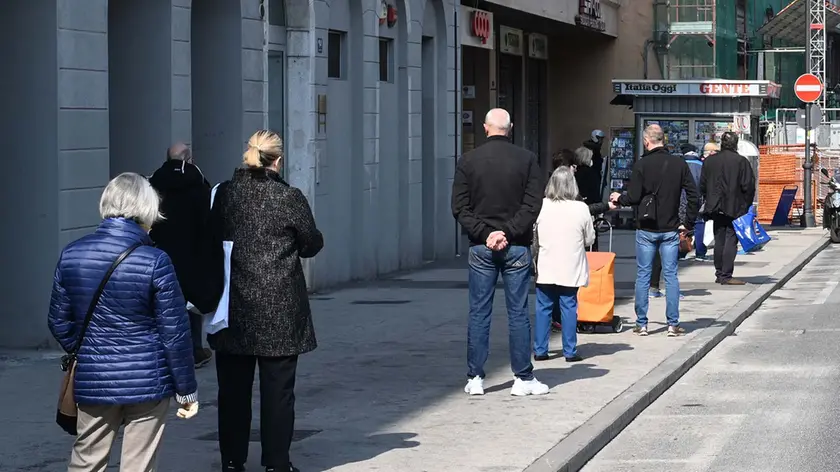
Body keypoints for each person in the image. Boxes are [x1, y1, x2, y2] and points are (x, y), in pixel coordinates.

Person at [48, 172, 198, 472]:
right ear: (146, 208)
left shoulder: (72, 254)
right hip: (148, 379)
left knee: (86, 459)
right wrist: (186, 389)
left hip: (94, 378)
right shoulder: (155, 260)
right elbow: (175, 333)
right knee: (138, 464)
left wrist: (89, 348)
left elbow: (58, 320)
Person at [210, 130, 323, 472]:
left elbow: (210, 236)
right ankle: (276, 462)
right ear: (278, 160)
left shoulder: (225, 195)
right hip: (280, 306)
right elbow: (311, 244)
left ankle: (232, 460)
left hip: (234, 305)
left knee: (232, 390)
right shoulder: (288, 197)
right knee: (278, 391)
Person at [452, 108, 548, 397]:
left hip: (481, 246)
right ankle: (522, 378)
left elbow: (459, 207)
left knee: (479, 312)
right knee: (518, 312)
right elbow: (533, 204)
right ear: (511, 127)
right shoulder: (527, 159)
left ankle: (475, 377)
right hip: (515, 245)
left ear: (485, 128)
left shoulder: (468, 161)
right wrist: (506, 232)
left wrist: (486, 233)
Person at [611, 124, 699, 337]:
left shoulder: (642, 164)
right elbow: (694, 196)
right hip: (670, 228)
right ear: (663, 140)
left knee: (643, 275)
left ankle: (642, 324)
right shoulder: (679, 164)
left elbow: (632, 197)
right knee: (671, 276)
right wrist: (687, 224)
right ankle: (672, 324)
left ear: (646, 141)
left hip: (646, 228)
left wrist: (617, 199)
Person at [149, 142, 221, 369]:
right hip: (193, 253)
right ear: (188, 160)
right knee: (191, 304)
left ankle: (164, 350)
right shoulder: (199, 184)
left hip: (162, 251)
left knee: (164, 304)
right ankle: (193, 350)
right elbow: (209, 220)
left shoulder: (154, 183)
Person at [532, 166, 595, 362]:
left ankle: (540, 350)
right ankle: (569, 350)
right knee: (569, 306)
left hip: (546, 262)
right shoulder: (581, 208)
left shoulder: (541, 206)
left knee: (543, 307)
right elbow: (589, 239)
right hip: (571, 265)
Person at [699, 132, 756, 285]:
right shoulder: (741, 162)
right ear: (736, 144)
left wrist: (709, 199)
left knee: (719, 239)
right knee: (731, 239)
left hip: (715, 206)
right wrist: (746, 205)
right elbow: (748, 186)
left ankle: (719, 273)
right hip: (734, 207)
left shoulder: (710, 161)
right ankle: (726, 275)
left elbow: (702, 185)